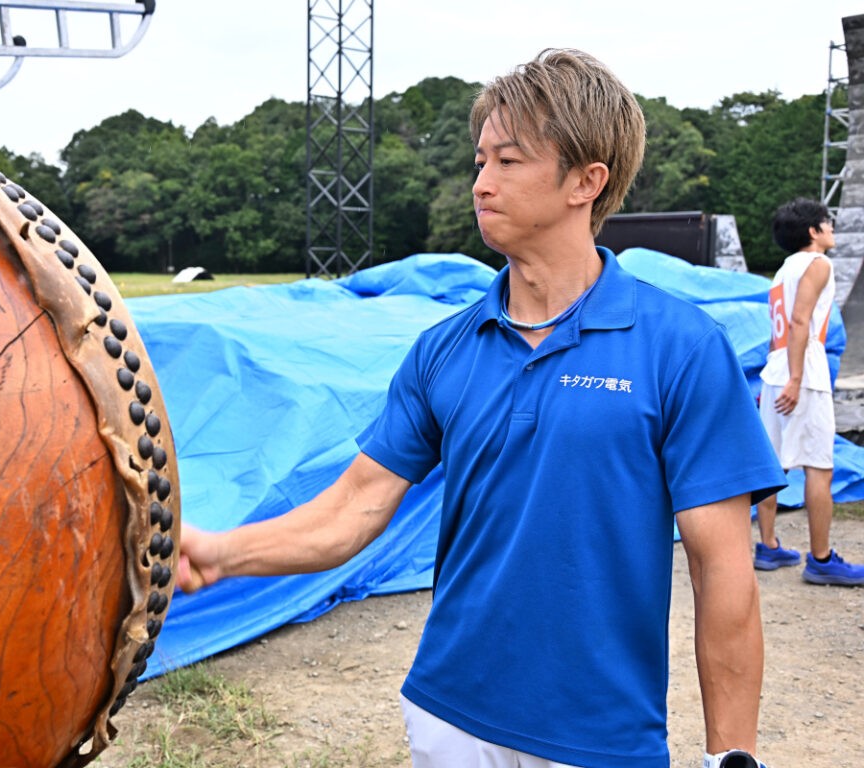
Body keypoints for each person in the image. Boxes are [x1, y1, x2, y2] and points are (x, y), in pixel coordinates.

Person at [178, 49, 785, 768]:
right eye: (480, 160)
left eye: (508, 161)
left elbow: (724, 572)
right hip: (448, 716)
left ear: (585, 182)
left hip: (598, 738)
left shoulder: (679, 348)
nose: (481, 183)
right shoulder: (445, 349)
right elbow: (354, 509)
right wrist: (221, 551)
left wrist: (731, 758)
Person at [753, 198, 864, 585]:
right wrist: (798, 379)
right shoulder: (818, 263)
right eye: (828, 223)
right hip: (804, 370)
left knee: (772, 463)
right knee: (820, 466)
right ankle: (821, 560)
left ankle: (767, 545)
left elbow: (777, 331)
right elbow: (801, 321)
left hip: (776, 368)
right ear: (813, 232)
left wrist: (778, 376)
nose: (832, 228)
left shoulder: (783, 271)